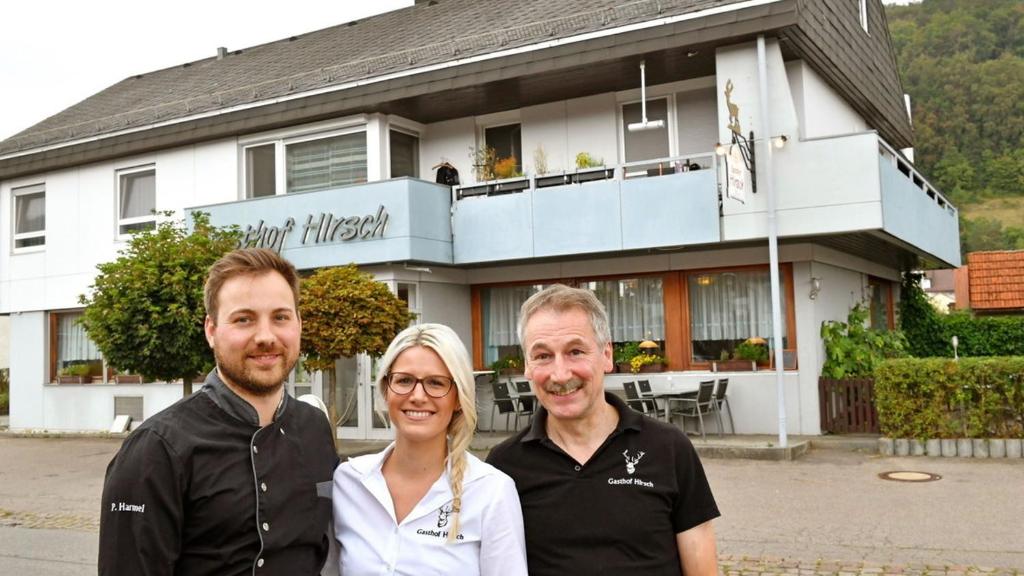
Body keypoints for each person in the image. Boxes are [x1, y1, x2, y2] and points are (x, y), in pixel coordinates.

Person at [98, 248, 339, 576]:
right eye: (244, 319)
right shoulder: (156, 448)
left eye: (280, 317)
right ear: (211, 330)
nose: (266, 336)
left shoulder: (315, 428)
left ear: (298, 323)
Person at [487, 284, 720, 576]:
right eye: (543, 356)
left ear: (606, 355)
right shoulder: (504, 466)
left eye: (575, 351)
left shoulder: (669, 448)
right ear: (527, 366)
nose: (560, 374)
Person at [332, 323, 527, 576]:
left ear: (458, 398)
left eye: (436, 383)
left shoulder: (491, 491)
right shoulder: (348, 482)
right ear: (385, 389)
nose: (418, 395)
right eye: (404, 380)